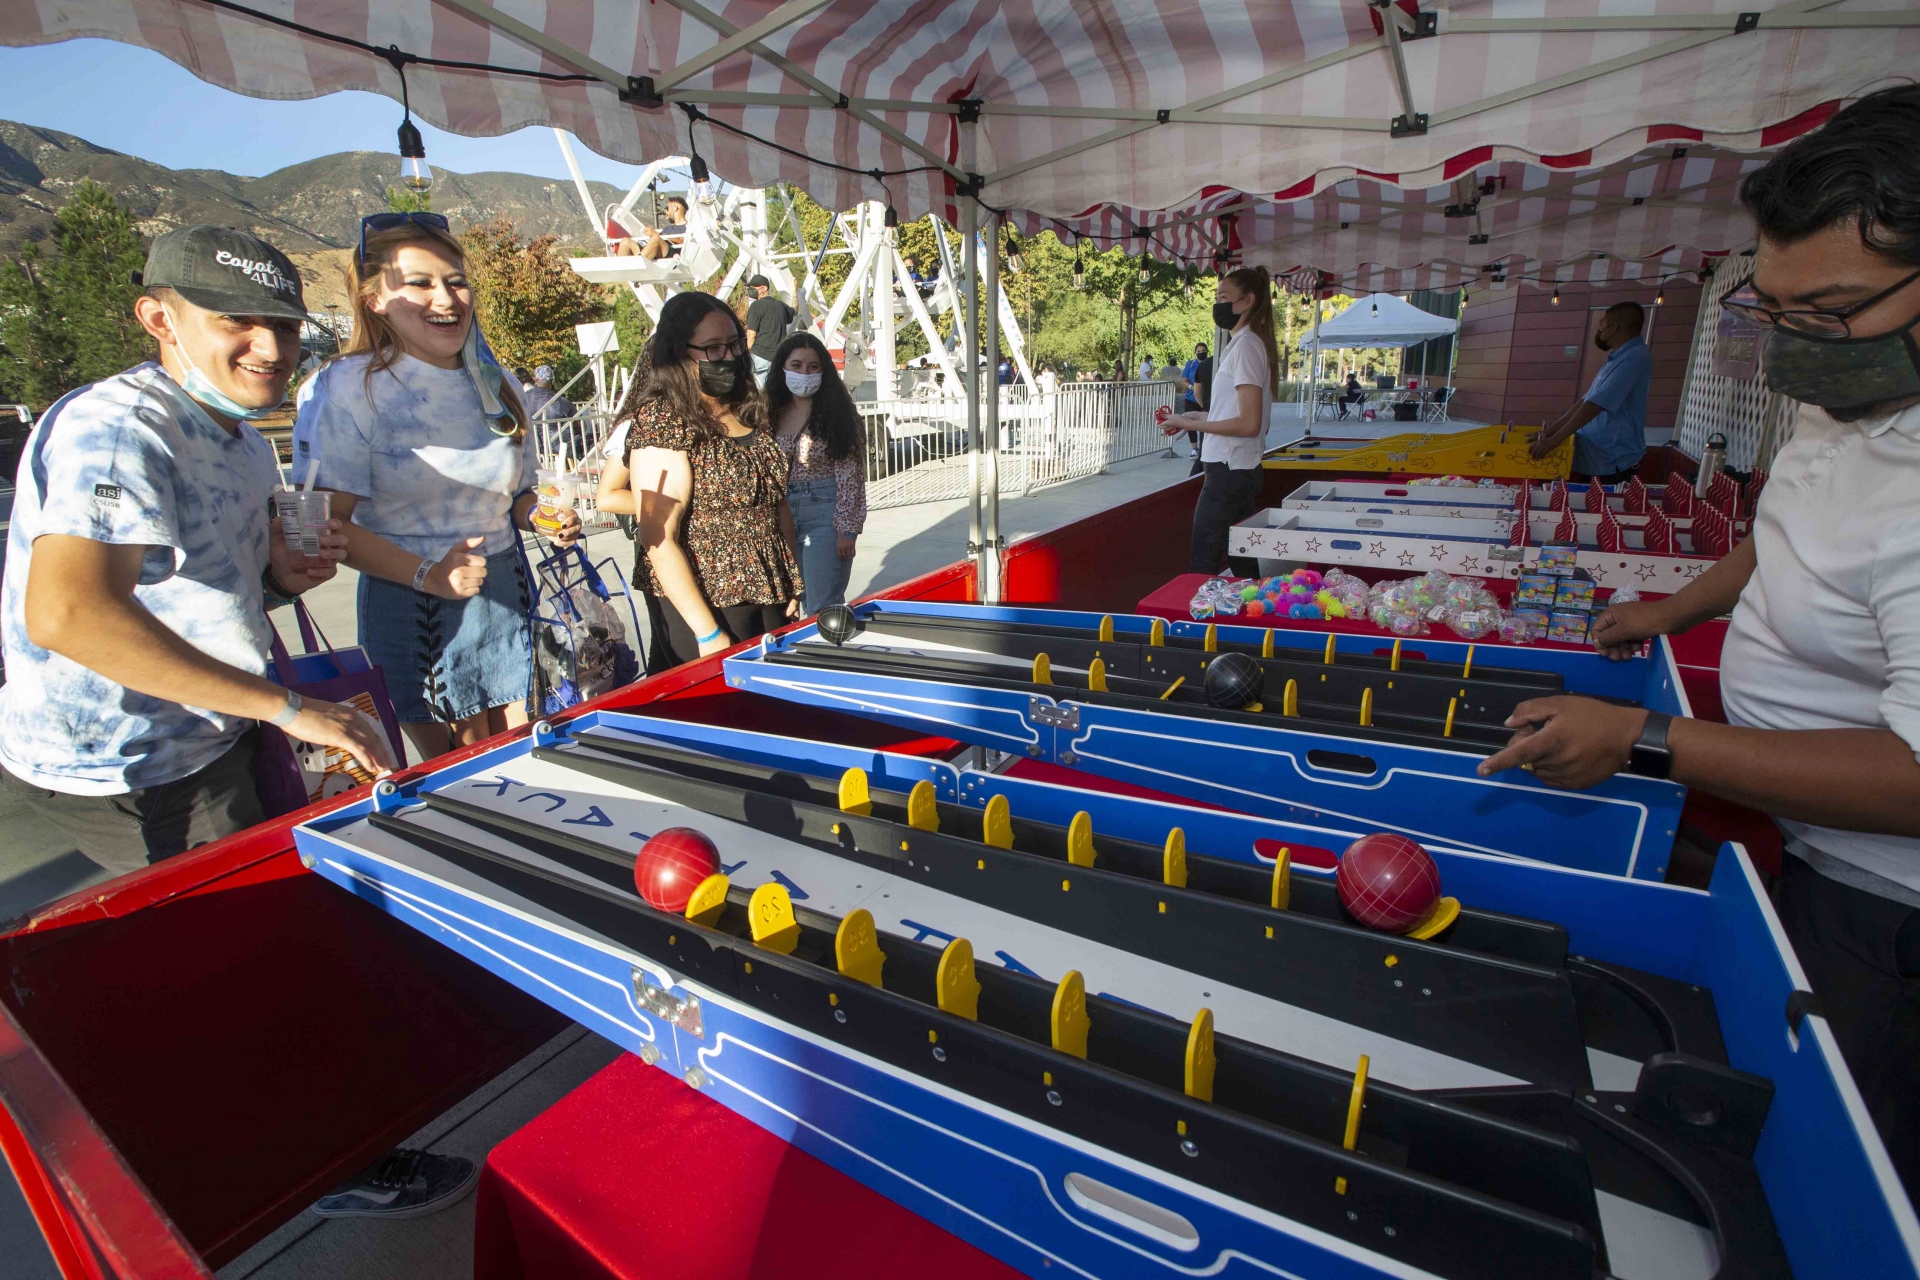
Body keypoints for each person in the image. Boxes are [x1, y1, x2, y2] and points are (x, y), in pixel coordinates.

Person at [1478, 85, 1920, 1193]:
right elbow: (1785, 535)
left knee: (1828, 1165)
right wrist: (1668, 610)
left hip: (1884, 901)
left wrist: (1653, 738)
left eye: (1829, 309)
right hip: (1792, 837)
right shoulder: (1854, 395)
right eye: (1776, 308)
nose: (1796, 343)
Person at [0, 223, 396, 875]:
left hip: (221, 733)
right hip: (137, 767)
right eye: (235, 319)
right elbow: (68, 615)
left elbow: (196, 593)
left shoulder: (243, 441)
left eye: (287, 326)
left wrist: (282, 581)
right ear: (160, 318)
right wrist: (291, 709)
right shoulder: (120, 431)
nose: (269, 347)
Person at [294, 212, 581, 762]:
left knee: (530, 756)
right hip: (412, 603)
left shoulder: (497, 382)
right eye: (420, 283)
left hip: (508, 594)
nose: (446, 298)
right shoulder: (350, 387)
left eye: (455, 281)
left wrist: (542, 517)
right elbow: (326, 526)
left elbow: (517, 498)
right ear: (375, 298)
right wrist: (431, 576)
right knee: (466, 774)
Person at [595, 291, 802, 665]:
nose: (729, 357)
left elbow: (776, 503)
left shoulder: (749, 410)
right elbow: (658, 540)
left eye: (735, 344)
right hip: (710, 600)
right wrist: (707, 631)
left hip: (768, 588)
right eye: (713, 348)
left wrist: (792, 579)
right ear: (678, 353)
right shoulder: (663, 423)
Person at [1161, 266, 1278, 574]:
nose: (1218, 304)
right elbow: (1239, 414)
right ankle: (1249, 617)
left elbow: (1249, 424)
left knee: (1204, 557)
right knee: (1240, 557)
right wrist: (1199, 416)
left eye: (1224, 297)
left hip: (1230, 471)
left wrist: (1193, 425)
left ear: (1248, 301)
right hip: (1234, 468)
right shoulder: (1242, 345)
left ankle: (1198, 621)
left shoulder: (1247, 346)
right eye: (1216, 297)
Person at [766, 333, 867, 615]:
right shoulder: (768, 412)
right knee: (791, 604)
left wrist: (847, 530)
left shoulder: (840, 415)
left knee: (822, 606)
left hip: (825, 512)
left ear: (824, 370)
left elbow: (850, 475)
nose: (804, 373)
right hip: (781, 511)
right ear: (782, 368)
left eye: (813, 366)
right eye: (796, 365)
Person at [1529, 301, 1653, 481]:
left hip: (1612, 461)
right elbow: (1586, 400)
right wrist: (1550, 432)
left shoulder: (1634, 358)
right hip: (1596, 457)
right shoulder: (1616, 357)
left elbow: (1595, 405)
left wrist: (1553, 441)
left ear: (1614, 327)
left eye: (1601, 324)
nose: (1599, 330)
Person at [743, 274, 794, 380]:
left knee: (754, 390)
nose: (750, 290)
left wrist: (744, 355)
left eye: (754, 287)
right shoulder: (781, 306)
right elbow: (795, 310)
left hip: (759, 356)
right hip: (777, 358)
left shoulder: (756, 306)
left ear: (764, 288)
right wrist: (795, 292)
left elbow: (751, 335)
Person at [1183, 342, 1212, 463]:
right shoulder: (1191, 364)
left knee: (1204, 424)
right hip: (1191, 398)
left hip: (1205, 400)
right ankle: (1195, 448)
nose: (1201, 353)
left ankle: (1205, 448)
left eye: (1203, 351)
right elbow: (1183, 380)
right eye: (1198, 351)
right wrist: (1192, 387)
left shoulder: (1211, 364)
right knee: (1190, 424)